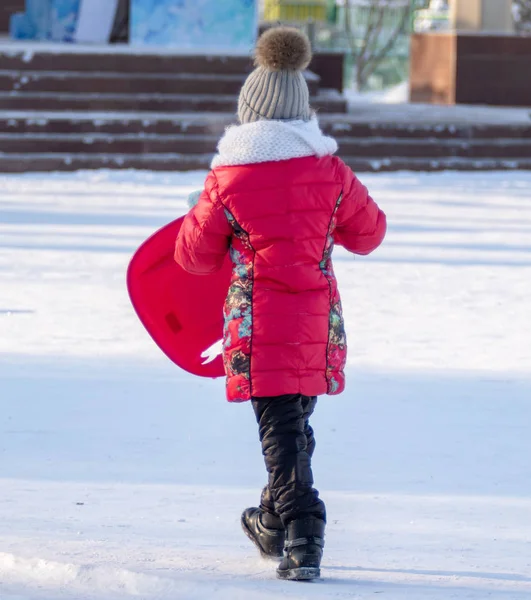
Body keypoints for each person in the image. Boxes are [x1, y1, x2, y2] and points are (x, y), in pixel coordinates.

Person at [174, 26, 386, 581]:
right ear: (302, 112)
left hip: (255, 322)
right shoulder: (330, 171)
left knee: (282, 429)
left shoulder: (228, 178)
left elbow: (192, 258)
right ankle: (272, 519)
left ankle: (302, 527)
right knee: (292, 425)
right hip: (317, 322)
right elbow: (370, 234)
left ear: (248, 112)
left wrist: (201, 208)